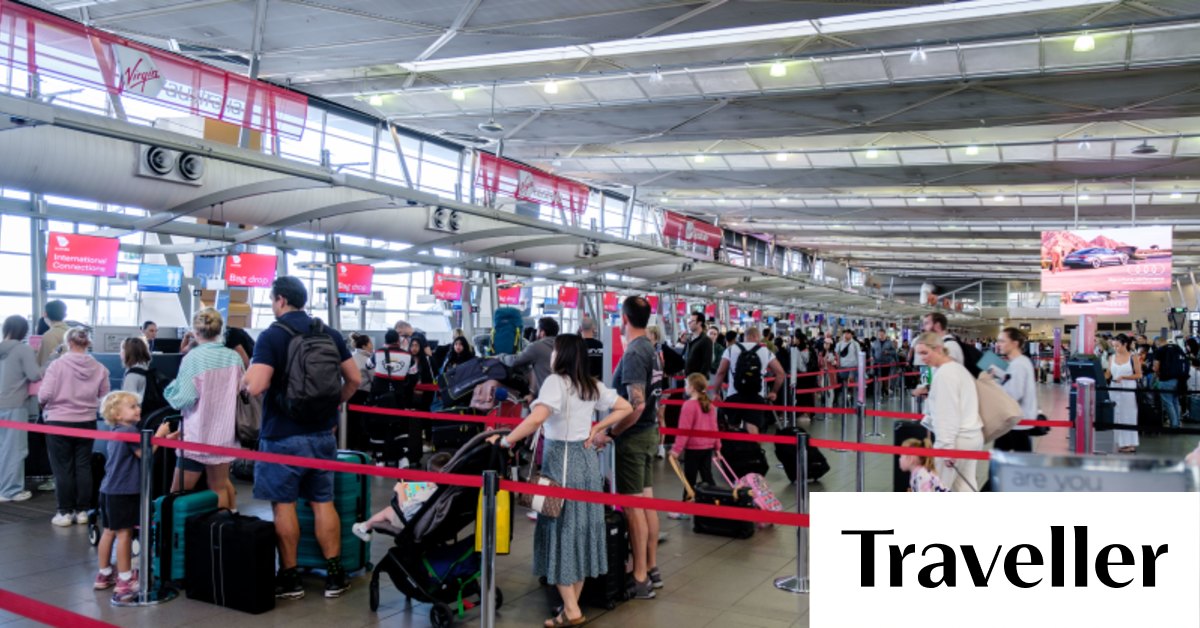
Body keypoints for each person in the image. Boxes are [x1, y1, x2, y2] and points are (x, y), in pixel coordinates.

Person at [491, 334, 632, 627]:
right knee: (579, 535)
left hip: (561, 465)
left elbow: (535, 419)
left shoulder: (556, 383)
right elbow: (625, 407)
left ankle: (572, 610)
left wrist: (506, 441)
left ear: (562, 355)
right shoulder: (591, 385)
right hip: (587, 465)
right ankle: (568, 609)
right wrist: (597, 429)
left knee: (560, 533)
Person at [243, 276, 360, 600]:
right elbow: (354, 378)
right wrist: (333, 407)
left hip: (283, 434)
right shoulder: (329, 333)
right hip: (323, 434)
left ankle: (290, 577)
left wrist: (246, 378)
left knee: (284, 506)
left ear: (280, 300)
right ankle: (335, 576)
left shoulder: (273, 335)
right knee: (323, 502)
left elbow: (256, 386)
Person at [591, 296, 662, 600]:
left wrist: (612, 432)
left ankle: (641, 577)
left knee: (634, 509)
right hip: (649, 434)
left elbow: (637, 404)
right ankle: (652, 568)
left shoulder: (635, 352)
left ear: (624, 317)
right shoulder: (653, 350)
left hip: (633, 438)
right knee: (646, 502)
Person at [93, 391, 176, 601]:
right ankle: (125, 578)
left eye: (137, 405)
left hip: (108, 489)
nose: (138, 409)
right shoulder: (129, 431)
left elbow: (146, 447)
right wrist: (159, 433)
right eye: (132, 406)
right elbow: (146, 454)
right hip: (125, 491)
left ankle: (104, 574)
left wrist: (163, 438)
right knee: (125, 534)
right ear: (117, 414)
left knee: (109, 532)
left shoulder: (116, 430)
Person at [164, 308, 245, 510]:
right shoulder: (233, 357)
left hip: (197, 436)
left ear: (195, 331)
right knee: (219, 487)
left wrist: (169, 389)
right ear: (220, 329)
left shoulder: (192, 359)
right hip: (224, 435)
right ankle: (221, 533)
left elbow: (184, 399)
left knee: (178, 493)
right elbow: (240, 389)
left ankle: (172, 539)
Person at [38, 327, 110, 526]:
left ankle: (64, 512)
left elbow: (44, 395)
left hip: (58, 421)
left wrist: (46, 406)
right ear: (87, 343)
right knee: (83, 466)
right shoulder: (100, 368)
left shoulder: (56, 366)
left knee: (62, 468)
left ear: (68, 342)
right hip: (87, 421)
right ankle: (82, 511)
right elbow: (105, 397)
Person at [912, 333, 983, 492]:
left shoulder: (944, 375)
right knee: (965, 487)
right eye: (919, 354)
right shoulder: (957, 368)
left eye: (925, 353)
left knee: (937, 488)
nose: (922, 358)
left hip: (956, 440)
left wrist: (946, 447)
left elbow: (947, 415)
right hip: (972, 437)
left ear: (938, 349)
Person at [350, 452, 451, 542]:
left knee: (388, 510)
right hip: (435, 524)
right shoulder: (450, 491)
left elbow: (405, 509)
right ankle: (366, 526)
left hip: (413, 525)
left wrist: (400, 490)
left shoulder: (428, 494)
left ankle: (364, 527)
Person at [713, 326, 786, 434]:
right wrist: (774, 392)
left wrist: (716, 392)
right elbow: (780, 373)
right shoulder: (765, 351)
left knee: (733, 427)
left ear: (745, 336)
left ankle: (734, 449)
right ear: (756, 336)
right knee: (753, 426)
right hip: (756, 395)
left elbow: (720, 372)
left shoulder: (731, 349)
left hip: (734, 394)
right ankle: (753, 450)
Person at [0, 315, 41, 503]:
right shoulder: (23, 349)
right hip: (14, 404)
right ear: (24, 331)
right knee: (14, 449)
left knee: (2, 449)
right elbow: (34, 375)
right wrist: (50, 362)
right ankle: (11, 491)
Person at [668, 373, 719, 520]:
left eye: (685, 385)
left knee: (688, 479)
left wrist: (676, 450)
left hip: (693, 449)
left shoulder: (688, 406)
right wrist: (717, 446)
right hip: (707, 448)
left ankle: (685, 509)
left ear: (691, 388)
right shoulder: (710, 405)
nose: (684, 387)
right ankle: (716, 503)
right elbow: (714, 427)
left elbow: (684, 431)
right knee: (708, 477)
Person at [991, 327, 1038, 453]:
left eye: (1002, 341)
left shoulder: (1019, 365)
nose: (998, 344)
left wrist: (991, 387)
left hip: (1016, 423)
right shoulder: (1020, 362)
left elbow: (1014, 394)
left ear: (1015, 343)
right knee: (1019, 460)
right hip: (1016, 422)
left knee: (1002, 461)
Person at [502, 317, 558, 396]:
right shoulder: (561, 346)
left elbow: (514, 361)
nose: (536, 333)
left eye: (537, 330)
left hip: (545, 394)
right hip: (560, 392)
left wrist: (501, 357)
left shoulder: (537, 346)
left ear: (542, 333)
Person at [1107, 334, 1141, 454]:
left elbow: (1138, 375)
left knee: (1128, 415)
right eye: (1114, 346)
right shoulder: (1111, 357)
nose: (1115, 348)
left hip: (1128, 390)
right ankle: (1117, 441)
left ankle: (1129, 443)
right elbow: (1108, 373)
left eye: (1117, 346)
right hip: (1114, 389)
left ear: (1125, 344)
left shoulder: (1133, 357)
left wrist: (1124, 377)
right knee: (1116, 415)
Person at [1153, 338, 1187, 429]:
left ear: (1158, 343)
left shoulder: (1160, 350)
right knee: (1175, 401)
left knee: (1168, 402)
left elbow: (1156, 367)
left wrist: (1157, 374)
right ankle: (1178, 422)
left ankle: (1174, 424)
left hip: (1165, 379)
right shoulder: (1178, 349)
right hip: (1179, 380)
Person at [36, 300, 69, 367]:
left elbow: (43, 363)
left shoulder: (49, 335)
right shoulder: (73, 332)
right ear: (65, 315)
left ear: (45, 314)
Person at [684, 312, 712, 378]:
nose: (689, 323)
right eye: (689, 320)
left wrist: (699, 380)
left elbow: (706, 363)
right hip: (689, 378)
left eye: (692, 321)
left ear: (699, 323)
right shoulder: (690, 339)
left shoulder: (705, 340)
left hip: (697, 380)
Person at [349, 333, 374, 405]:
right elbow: (373, 379)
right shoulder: (367, 360)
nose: (372, 346)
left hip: (348, 391)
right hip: (362, 393)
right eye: (370, 343)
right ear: (364, 346)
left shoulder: (350, 356)